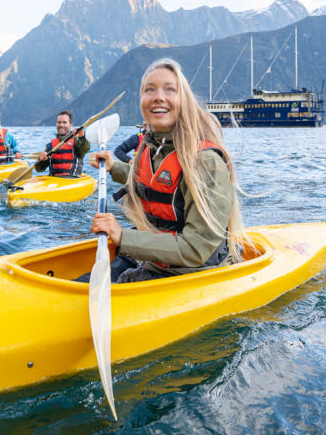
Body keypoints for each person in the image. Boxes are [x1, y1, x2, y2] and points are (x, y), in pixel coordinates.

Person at [86, 58, 248, 283]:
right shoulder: (153, 147)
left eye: (169, 89)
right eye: (149, 90)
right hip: (157, 262)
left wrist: (123, 237)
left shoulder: (206, 161)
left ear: (184, 100)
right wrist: (114, 166)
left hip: (196, 273)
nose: (157, 97)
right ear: (141, 100)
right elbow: (151, 184)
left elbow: (195, 247)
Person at [35, 110, 90, 177]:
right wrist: (42, 160)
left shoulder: (78, 142)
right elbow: (39, 169)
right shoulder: (50, 145)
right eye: (59, 122)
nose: (61, 125)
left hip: (73, 179)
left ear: (70, 125)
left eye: (64, 122)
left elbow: (85, 148)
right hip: (55, 181)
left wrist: (82, 136)